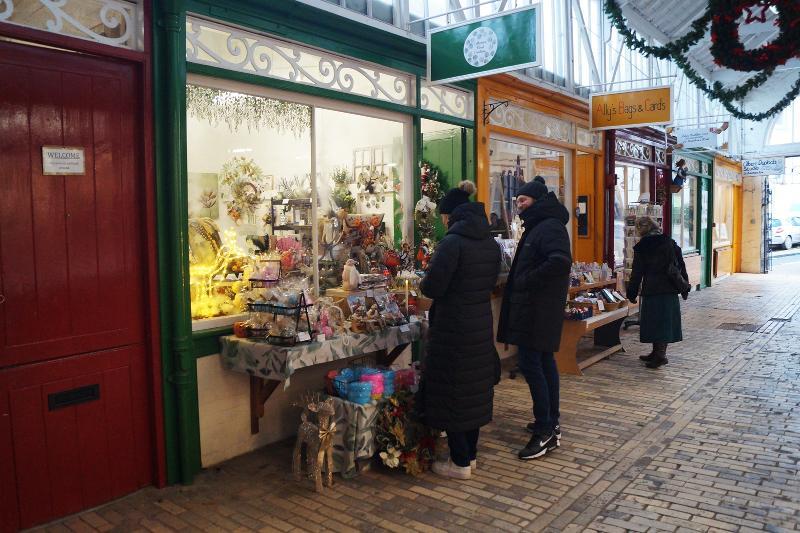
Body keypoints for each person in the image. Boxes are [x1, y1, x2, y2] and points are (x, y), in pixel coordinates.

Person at [420, 180, 501, 480]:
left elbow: (433, 286)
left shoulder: (453, 243)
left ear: (452, 214)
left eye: (444, 217)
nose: (442, 222)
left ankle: (459, 462)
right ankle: (471, 455)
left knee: (453, 391)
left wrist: (422, 281)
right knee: (474, 391)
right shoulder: (489, 242)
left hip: (453, 327)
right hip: (479, 325)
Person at [497, 176, 572, 461]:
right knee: (542, 363)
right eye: (517, 201)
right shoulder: (539, 225)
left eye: (523, 201)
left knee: (533, 365)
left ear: (537, 201)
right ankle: (551, 421)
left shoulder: (548, 226)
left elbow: (560, 261)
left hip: (538, 310)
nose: (519, 206)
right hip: (537, 309)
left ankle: (545, 432)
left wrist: (526, 280)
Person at [626, 216, 689, 369]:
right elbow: (680, 264)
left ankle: (660, 356)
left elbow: (637, 273)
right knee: (664, 323)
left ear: (641, 230)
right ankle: (656, 352)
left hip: (653, 290)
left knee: (655, 322)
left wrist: (631, 293)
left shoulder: (643, 246)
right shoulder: (669, 242)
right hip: (669, 290)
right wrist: (685, 284)